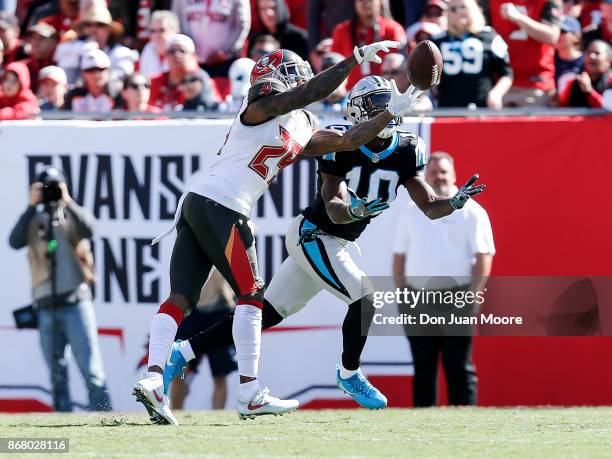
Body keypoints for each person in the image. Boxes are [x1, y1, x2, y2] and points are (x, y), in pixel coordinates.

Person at [132, 40, 425, 425]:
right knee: (251, 296)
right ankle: (250, 392)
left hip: (199, 203)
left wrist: (390, 113)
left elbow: (348, 140)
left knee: (181, 299)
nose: (296, 82)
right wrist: (352, 61)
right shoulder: (257, 109)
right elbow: (310, 91)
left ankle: (154, 379)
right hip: (224, 204)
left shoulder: (303, 124)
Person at [162, 76, 486, 416]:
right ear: (359, 111)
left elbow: (430, 205)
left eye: (387, 101)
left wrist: (455, 202)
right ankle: (349, 373)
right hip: (313, 234)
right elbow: (333, 204)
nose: (386, 109)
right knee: (365, 297)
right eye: (377, 102)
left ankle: (181, 352)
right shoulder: (339, 141)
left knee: (266, 314)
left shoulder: (408, 148)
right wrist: (356, 210)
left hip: (336, 242)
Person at [392, 152, 494, 407]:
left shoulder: (472, 211)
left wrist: (470, 298)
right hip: (417, 298)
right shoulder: (411, 211)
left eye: (444, 172)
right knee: (423, 367)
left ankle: (466, 425)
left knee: (458, 364)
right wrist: (403, 295)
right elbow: (399, 257)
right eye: (433, 173)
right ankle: (423, 426)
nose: (439, 177)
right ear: (426, 178)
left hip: (457, 296)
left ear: (454, 175)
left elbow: (483, 257)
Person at [8, 166, 112, 412]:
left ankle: (105, 420)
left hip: (77, 302)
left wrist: (67, 201)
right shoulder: (34, 219)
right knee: (56, 375)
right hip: (46, 306)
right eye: (47, 188)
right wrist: (31, 206)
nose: (51, 191)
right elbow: (14, 241)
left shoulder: (72, 216)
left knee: (93, 372)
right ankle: (63, 423)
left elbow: (90, 229)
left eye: (56, 186)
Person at [169, 270, 237, 410]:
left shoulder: (230, 248)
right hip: (192, 310)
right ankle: (174, 414)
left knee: (219, 374)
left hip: (220, 310)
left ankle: (216, 422)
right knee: (178, 367)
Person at [433, 0, 513, 109]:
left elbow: (507, 74)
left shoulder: (490, 37)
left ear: (474, 9)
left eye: (463, 7)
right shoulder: (437, 41)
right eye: (453, 9)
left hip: (482, 106)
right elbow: (425, 74)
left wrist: (496, 93)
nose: (459, 11)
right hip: (448, 107)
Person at [490, 0, 561, 107]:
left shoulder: (546, 2)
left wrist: (518, 17)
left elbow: (552, 36)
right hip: (500, 83)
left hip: (534, 83)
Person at [331, 0, 407, 89]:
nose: (365, 3)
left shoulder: (393, 29)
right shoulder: (341, 31)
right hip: (350, 95)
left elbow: (401, 66)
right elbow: (334, 66)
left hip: (386, 93)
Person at [172, 0, 250, 77]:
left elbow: (242, 24)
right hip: (191, 62)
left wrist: (225, 51)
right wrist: (186, 49)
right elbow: (176, 21)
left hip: (223, 63)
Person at [73, 2, 138, 80]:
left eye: (99, 25)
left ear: (109, 30)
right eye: (88, 24)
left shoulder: (121, 54)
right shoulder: (76, 51)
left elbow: (120, 84)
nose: (93, 29)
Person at [149, 33, 199, 111]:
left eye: (182, 51)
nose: (177, 55)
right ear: (166, 56)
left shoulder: (199, 81)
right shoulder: (154, 82)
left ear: (192, 56)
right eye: (172, 51)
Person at [558, 39, 611, 107]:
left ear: (609, 61)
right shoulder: (574, 82)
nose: (591, 56)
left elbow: (608, 110)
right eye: (589, 52)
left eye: (597, 53)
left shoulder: (610, 82)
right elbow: (564, 110)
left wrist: (589, 92)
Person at [64, 48, 118, 112]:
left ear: (108, 71)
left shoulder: (117, 95)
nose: (96, 74)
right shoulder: (73, 95)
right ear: (82, 73)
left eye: (101, 69)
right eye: (90, 70)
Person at [139, 10, 179, 79]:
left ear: (174, 32)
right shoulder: (148, 49)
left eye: (162, 30)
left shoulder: (182, 53)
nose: (156, 36)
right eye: (153, 31)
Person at [22, 22, 58, 93]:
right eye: (33, 38)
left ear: (53, 42)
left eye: (41, 38)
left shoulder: (59, 65)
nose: (36, 42)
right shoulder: (22, 67)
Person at [555, 15, 585, 94]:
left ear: (576, 37)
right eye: (555, 30)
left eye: (562, 31)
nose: (557, 34)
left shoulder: (586, 61)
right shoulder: (548, 60)